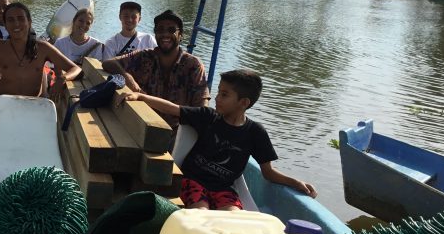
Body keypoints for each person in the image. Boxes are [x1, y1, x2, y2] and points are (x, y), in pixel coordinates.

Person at [118, 68, 317, 210]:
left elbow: (268, 172)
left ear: (244, 103)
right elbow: (173, 108)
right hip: (192, 181)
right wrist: (141, 97)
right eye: (219, 92)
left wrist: (295, 182)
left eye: (224, 95)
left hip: (224, 189)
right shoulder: (208, 117)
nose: (217, 98)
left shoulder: (255, 132)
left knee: (232, 219)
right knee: (201, 213)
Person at [102, 9, 209, 129]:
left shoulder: (193, 65)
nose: (165, 34)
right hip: (144, 125)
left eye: (171, 30)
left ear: (181, 35)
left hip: (179, 132)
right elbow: (108, 63)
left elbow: (202, 109)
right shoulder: (145, 56)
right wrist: (127, 77)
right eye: (160, 30)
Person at [0, 2, 81, 97]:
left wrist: (63, 79)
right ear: (5, 24)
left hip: (33, 105)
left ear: (29, 22)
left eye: (21, 19)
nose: (16, 24)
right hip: (4, 104)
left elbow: (76, 69)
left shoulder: (43, 48)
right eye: (10, 20)